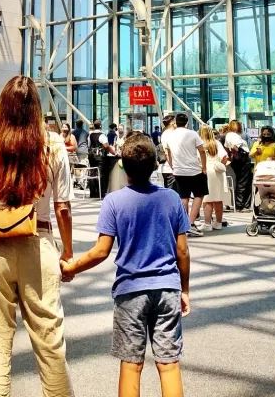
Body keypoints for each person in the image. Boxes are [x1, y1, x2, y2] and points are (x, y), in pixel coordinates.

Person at [60, 131, 189, 397]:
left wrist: (72, 267)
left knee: (131, 364)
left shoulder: (114, 201)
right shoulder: (172, 199)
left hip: (130, 291)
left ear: (121, 164)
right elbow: (182, 251)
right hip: (167, 288)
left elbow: (100, 251)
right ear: (156, 165)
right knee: (169, 365)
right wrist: (184, 289)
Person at [0, 75, 74, 397]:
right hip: (38, 243)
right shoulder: (54, 143)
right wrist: (67, 253)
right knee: (50, 344)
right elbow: (63, 207)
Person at [166, 113, 207, 237]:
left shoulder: (170, 136)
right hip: (194, 170)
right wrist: (204, 167)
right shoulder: (193, 134)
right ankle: (191, 222)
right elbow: (201, 150)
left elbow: (168, 153)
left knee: (184, 196)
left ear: (175, 122)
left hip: (178, 171)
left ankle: (184, 224)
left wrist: (173, 166)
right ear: (187, 122)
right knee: (199, 195)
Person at [200, 125, 228, 231]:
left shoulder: (200, 144)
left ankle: (207, 224)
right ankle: (218, 222)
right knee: (218, 198)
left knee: (207, 199)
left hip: (205, 170)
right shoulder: (217, 143)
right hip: (217, 171)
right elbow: (225, 157)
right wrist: (220, 164)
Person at [225, 120, 252, 211]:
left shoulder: (228, 135)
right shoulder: (236, 136)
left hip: (236, 160)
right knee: (244, 182)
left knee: (239, 181)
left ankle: (238, 203)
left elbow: (227, 148)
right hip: (243, 159)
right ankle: (241, 204)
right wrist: (237, 156)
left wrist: (230, 157)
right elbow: (233, 147)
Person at [89, 119, 116, 197]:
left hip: (91, 156)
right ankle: (100, 192)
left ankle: (93, 192)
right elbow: (107, 146)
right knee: (101, 173)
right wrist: (114, 153)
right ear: (100, 126)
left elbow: (89, 145)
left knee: (92, 173)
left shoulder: (90, 135)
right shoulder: (102, 135)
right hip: (100, 157)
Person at [159, 114, 176, 191]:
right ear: (172, 123)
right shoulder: (170, 134)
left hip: (167, 168)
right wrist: (173, 167)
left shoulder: (165, 133)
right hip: (170, 169)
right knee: (172, 191)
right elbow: (167, 152)